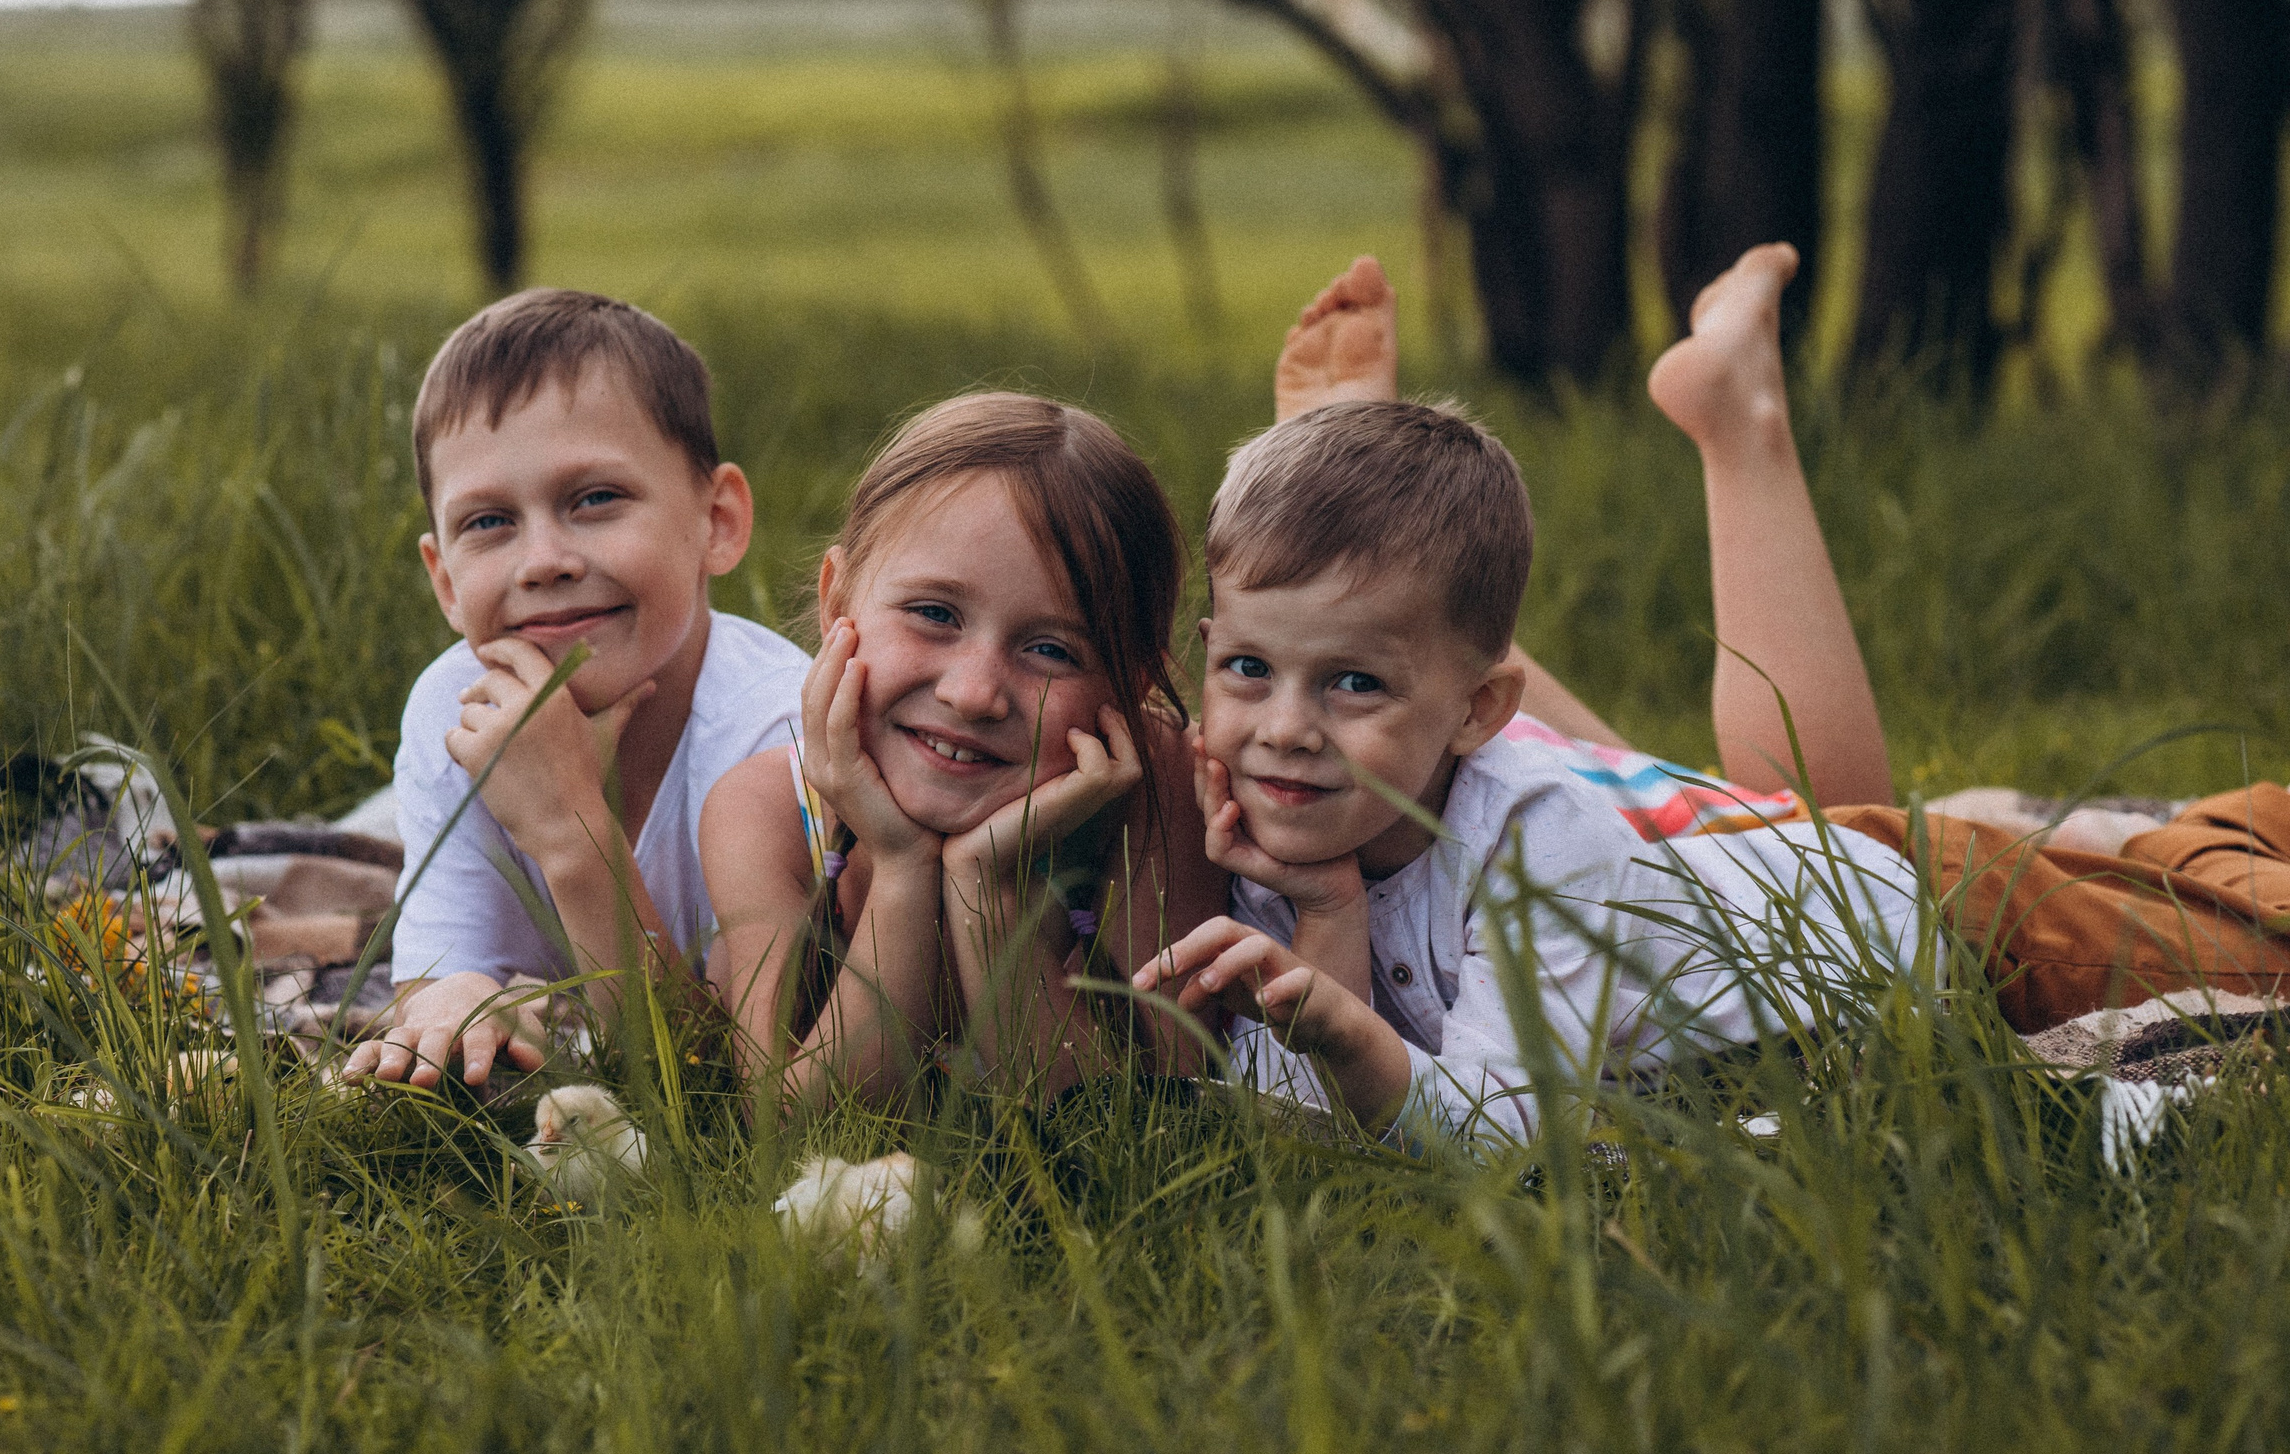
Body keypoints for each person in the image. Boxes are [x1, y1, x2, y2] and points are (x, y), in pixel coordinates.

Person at [1140, 243, 2290, 1144]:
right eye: (1246, 668)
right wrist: (1329, 918)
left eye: (1348, 681)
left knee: (2258, 940)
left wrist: (1334, 1002)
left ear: (1486, 712)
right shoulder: (1278, 840)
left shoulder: (1534, 831)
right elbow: (1322, 1123)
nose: (1282, 728)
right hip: (1796, 877)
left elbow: (1498, 1131)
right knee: (2192, 862)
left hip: (1960, 929)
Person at [696, 393, 1231, 1105]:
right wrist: (899, 866)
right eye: (934, 614)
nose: (975, 692)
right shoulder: (765, 810)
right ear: (836, 604)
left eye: (1050, 649)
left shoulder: (1156, 793)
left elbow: (1152, 1119)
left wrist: (988, 890)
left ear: (1131, 685)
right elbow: (790, 1117)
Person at [346, 290, 807, 1090]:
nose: (544, 560)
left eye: (595, 499)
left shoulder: (777, 732)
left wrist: (570, 827)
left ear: (718, 521)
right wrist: (459, 994)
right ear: (445, 582)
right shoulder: (455, 706)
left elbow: (712, 1081)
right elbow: (441, 978)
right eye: (488, 522)